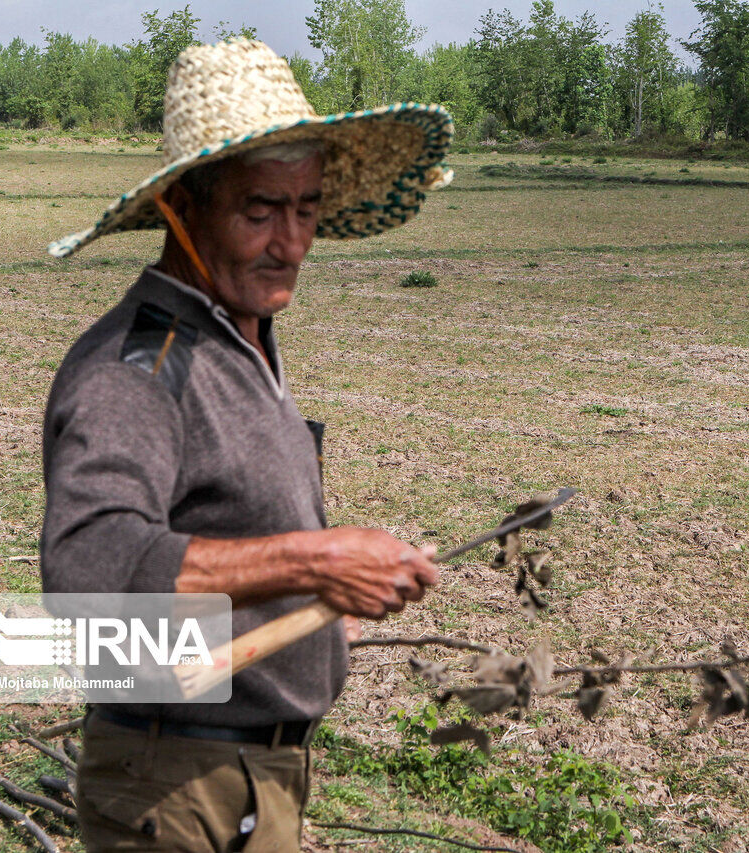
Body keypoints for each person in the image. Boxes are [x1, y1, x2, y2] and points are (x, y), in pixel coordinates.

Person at [40, 38, 454, 851]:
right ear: (181, 207)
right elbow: (87, 570)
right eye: (260, 210)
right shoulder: (141, 364)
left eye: (305, 209)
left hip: (246, 784)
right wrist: (314, 563)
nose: (291, 242)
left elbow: (220, 542)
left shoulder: (237, 335)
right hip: (179, 789)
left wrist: (306, 608)